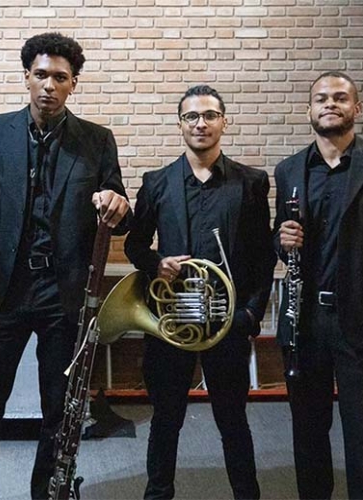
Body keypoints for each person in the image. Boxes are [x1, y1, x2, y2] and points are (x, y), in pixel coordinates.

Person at [0, 32, 131, 499]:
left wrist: (116, 204)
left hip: (65, 297)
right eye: (41, 75)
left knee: (58, 409)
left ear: (73, 83)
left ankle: (48, 494)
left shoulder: (97, 140)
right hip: (5, 293)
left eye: (60, 77)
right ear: (26, 77)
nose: (49, 85)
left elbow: (120, 215)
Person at [124, 85, 275, 500]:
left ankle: (247, 495)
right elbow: (136, 245)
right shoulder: (156, 182)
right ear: (180, 124)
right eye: (192, 116)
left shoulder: (251, 183)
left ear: (224, 122)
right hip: (171, 324)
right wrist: (157, 263)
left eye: (210, 115)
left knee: (233, 420)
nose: (201, 123)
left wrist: (251, 314)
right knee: (165, 419)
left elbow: (263, 256)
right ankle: (158, 494)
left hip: (227, 323)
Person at [274, 71, 363, 500]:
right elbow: (283, 242)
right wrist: (282, 241)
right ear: (309, 110)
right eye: (321, 98)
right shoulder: (289, 170)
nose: (330, 104)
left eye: (340, 97)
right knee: (308, 435)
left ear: (357, 108)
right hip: (304, 324)